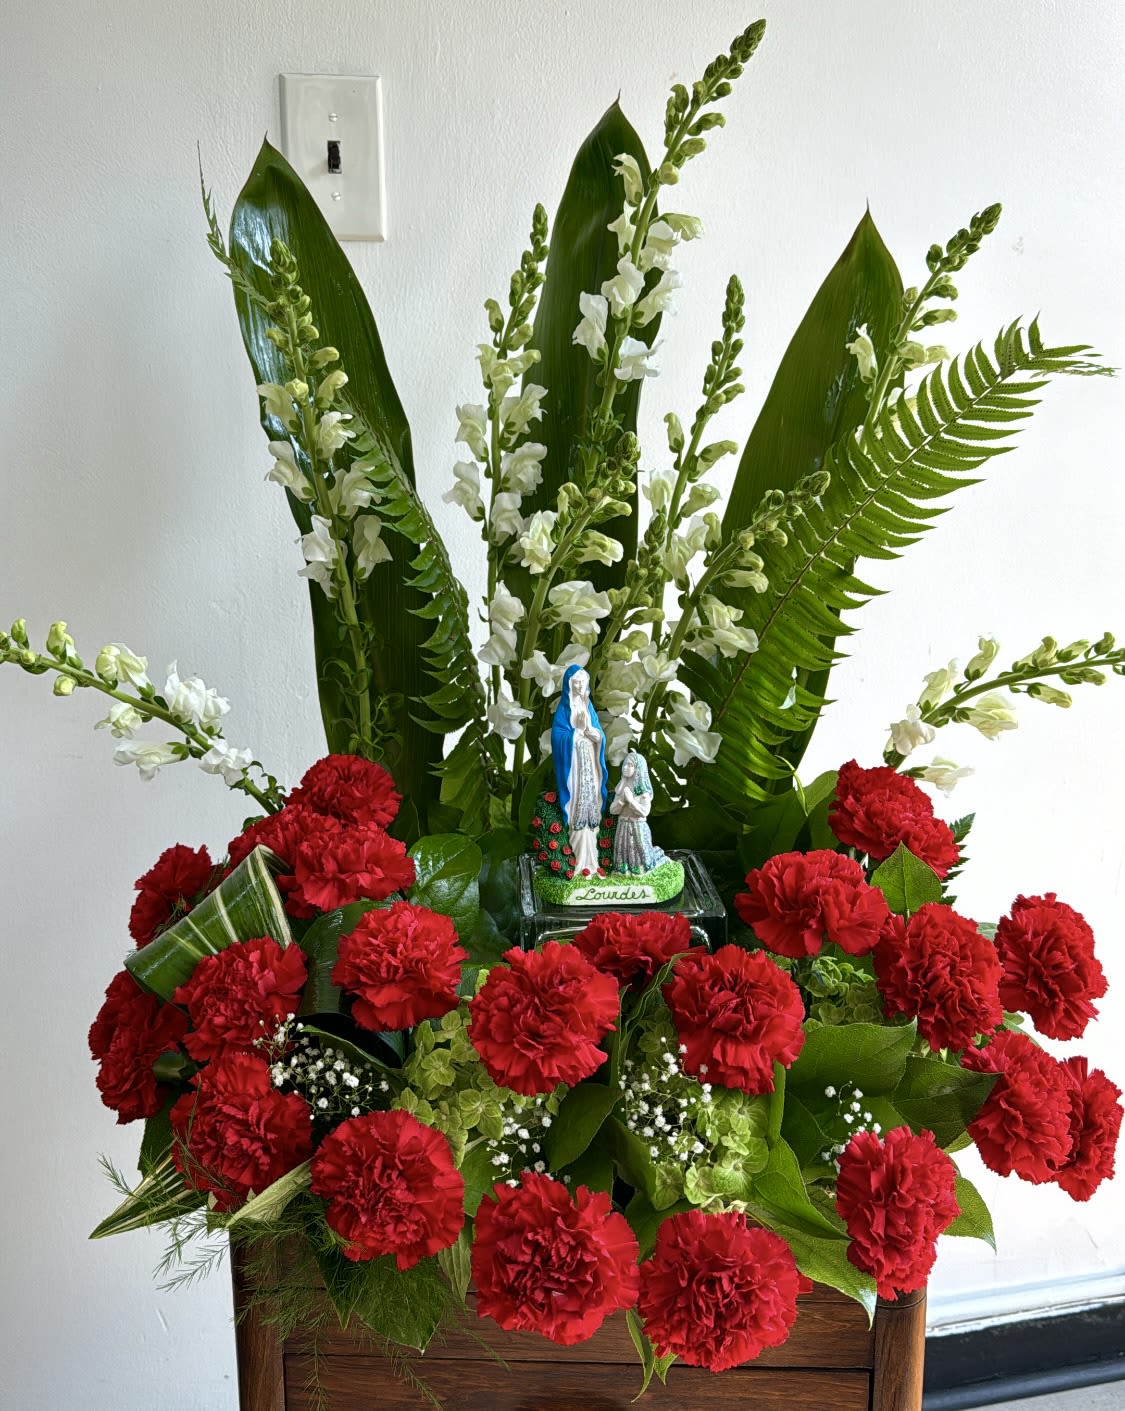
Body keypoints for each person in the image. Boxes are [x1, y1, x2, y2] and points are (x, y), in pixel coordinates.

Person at [551, 665, 607, 877]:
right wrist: (576, 734)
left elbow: (599, 734)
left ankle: (593, 860)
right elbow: (558, 736)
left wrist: (592, 733)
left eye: (582, 681)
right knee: (576, 808)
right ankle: (578, 859)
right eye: (575, 681)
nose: (579, 685)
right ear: (568, 684)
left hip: (589, 766)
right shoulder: (565, 710)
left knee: (591, 804)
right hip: (574, 767)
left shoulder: (588, 706)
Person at [610, 749, 665, 875]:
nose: (625, 767)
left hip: (637, 826)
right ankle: (623, 870)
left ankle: (641, 868)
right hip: (623, 826)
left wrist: (631, 801)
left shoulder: (643, 792)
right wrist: (622, 801)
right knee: (623, 851)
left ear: (638, 769)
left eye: (630, 765)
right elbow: (613, 810)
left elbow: (644, 812)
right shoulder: (621, 789)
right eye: (624, 764)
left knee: (640, 853)